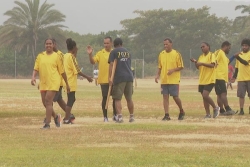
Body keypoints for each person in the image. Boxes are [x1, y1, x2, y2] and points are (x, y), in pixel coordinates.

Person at [31, 38, 70, 129]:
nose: (48, 45)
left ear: (53, 45)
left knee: (48, 101)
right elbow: (36, 68)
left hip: (54, 82)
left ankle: (47, 124)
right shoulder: (40, 56)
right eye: (47, 44)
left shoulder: (57, 56)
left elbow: (62, 72)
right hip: (44, 82)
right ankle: (56, 117)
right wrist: (33, 77)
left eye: (50, 44)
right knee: (45, 103)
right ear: (45, 45)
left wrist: (67, 83)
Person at [87, 37, 117, 122]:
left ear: (111, 43)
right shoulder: (100, 53)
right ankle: (105, 116)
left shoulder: (114, 52)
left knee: (115, 98)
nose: (106, 45)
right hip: (104, 80)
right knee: (104, 98)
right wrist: (90, 54)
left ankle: (115, 115)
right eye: (105, 43)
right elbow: (93, 61)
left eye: (107, 43)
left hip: (114, 80)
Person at [155, 38, 185, 121]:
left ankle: (181, 110)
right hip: (164, 80)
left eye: (167, 44)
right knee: (165, 97)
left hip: (174, 80)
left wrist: (173, 70)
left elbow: (181, 66)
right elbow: (160, 67)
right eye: (164, 44)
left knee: (175, 97)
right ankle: (167, 115)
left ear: (171, 44)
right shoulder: (161, 54)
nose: (165, 46)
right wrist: (157, 75)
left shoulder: (176, 54)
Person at [63, 38, 93, 124]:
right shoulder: (71, 56)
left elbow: (73, 61)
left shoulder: (66, 56)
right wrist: (87, 77)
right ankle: (66, 118)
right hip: (70, 82)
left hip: (67, 81)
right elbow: (77, 70)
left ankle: (67, 117)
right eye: (76, 47)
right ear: (73, 47)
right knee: (71, 99)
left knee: (71, 99)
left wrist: (75, 51)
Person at [190, 42, 220, 118]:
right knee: (204, 97)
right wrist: (196, 62)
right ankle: (208, 114)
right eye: (201, 47)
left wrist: (202, 63)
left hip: (210, 79)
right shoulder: (201, 56)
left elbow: (212, 65)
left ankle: (215, 107)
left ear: (208, 47)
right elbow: (198, 67)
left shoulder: (212, 55)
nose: (202, 48)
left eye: (203, 46)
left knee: (205, 95)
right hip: (202, 79)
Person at [108, 38, 134, 123]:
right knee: (129, 98)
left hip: (120, 77)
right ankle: (131, 117)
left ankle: (119, 117)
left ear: (114, 45)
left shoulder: (114, 52)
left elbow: (111, 65)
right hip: (129, 77)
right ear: (121, 44)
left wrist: (110, 78)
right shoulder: (128, 52)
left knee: (117, 98)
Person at [214, 41, 236, 115]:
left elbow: (227, 62)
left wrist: (234, 56)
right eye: (229, 48)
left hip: (221, 77)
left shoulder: (223, 54)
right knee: (223, 93)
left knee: (219, 94)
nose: (229, 50)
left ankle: (222, 111)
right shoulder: (219, 52)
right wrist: (214, 63)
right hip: (218, 76)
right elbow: (214, 60)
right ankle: (228, 109)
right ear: (225, 46)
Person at [231, 38, 250, 115]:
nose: (244, 47)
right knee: (241, 95)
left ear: (249, 46)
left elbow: (245, 63)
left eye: (246, 46)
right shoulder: (240, 54)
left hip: (249, 78)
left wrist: (237, 57)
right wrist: (234, 77)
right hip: (241, 78)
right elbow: (237, 67)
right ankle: (241, 110)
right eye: (243, 46)